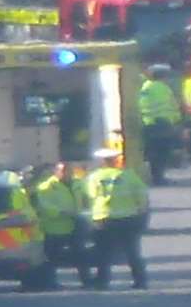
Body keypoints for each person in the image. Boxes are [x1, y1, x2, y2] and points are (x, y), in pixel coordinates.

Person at [83, 147, 149, 290]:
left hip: (104, 219)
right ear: (115, 161)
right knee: (132, 252)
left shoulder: (94, 177)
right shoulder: (128, 176)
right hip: (128, 219)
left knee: (103, 252)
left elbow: (91, 195)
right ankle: (140, 281)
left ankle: (102, 282)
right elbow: (142, 196)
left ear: (101, 162)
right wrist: (141, 213)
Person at [32, 163, 86, 286]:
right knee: (52, 258)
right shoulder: (46, 187)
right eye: (63, 170)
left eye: (69, 170)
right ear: (56, 171)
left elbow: (84, 198)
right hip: (54, 228)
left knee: (80, 256)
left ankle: (86, 280)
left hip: (74, 225)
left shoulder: (77, 183)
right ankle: (50, 282)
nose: (66, 173)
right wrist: (62, 212)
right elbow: (44, 206)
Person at [137, 64, 183, 184]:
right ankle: (158, 178)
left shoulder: (145, 87)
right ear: (163, 76)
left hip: (149, 123)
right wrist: (177, 121)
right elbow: (170, 106)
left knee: (153, 153)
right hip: (161, 124)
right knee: (161, 153)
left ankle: (155, 176)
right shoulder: (162, 88)